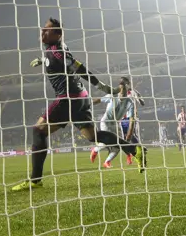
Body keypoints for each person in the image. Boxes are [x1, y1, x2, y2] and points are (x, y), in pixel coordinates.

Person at [12, 18, 146, 192]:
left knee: (38, 130)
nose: (42, 32)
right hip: (81, 97)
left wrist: (101, 86)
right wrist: (42, 60)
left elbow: (78, 67)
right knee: (92, 136)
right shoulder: (55, 49)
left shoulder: (58, 51)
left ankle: (35, 180)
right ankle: (134, 150)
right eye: (42, 29)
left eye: (47, 30)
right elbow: (59, 60)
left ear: (57, 34)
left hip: (68, 97)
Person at [90, 77, 138, 168]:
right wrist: (88, 104)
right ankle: (95, 150)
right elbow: (99, 100)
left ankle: (107, 162)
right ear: (119, 88)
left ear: (127, 89)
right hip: (106, 122)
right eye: (121, 87)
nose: (123, 90)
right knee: (108, 142)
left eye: (125, 87)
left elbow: (132, 120)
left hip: (115, 124)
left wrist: (129, 133)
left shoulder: (130, 103)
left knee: (117, 146)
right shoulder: (112, 96)